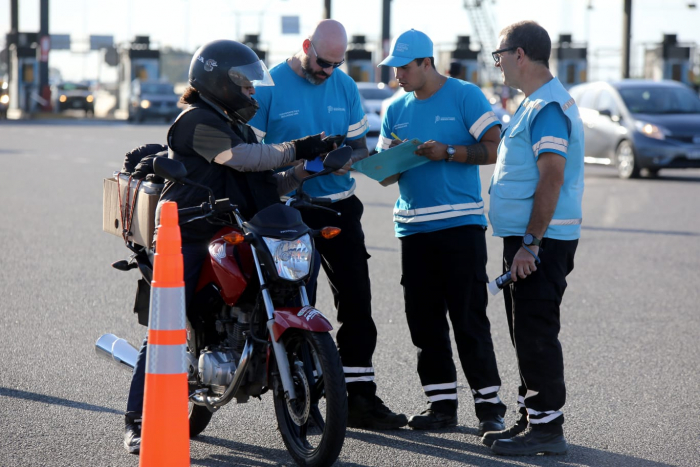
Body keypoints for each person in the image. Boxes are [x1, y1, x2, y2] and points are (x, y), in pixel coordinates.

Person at [123, 39, 335, 454]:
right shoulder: (194, 122)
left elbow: (265, 182)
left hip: (236, 229)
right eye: (246, 86)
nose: (253, 93)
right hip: (187, 233)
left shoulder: (236, 124)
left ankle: (300, 395)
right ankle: (136, 419)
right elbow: (240, 159)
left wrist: (310, 167)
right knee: (167, 323)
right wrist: (297, 147)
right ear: (221, 82)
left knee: (285, 287)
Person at [248, 19, 408, 430]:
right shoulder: (269, 85)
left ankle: (360, 399)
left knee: (357, 301)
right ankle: (302, 402)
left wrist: (346, 157)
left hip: (339, 206)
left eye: (336, 64)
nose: (328, 72)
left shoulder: (345, 86)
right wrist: (304, 165)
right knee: (297, 304)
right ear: (306, 46)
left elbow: (359, 146)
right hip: (288, 210)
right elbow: (251, 154)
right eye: (322, 62)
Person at [376, 29, 507, 434]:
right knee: (424, 321)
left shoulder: (465, 95)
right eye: (394, 67)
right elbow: (385, 175)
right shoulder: (394, 108)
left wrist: (448, 152)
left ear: (426, 63)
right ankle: (441, 406)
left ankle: (490, 409)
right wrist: (392, 160)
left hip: (460, 227)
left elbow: (494, 146)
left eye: (403, 67)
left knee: (468, 318)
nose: (397, 74)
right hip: (412, 229)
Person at [482, 21, 584, 456]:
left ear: (519, 54)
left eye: (499, 55)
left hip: (541, 241)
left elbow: (552, 177)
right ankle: (531, 418)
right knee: (524, 330)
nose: (497, 63)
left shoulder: (547, 107)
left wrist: (531, 243)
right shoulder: (533, 103)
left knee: (536, 330)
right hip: (529, 239)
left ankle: (547, 429)